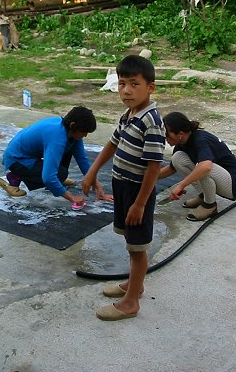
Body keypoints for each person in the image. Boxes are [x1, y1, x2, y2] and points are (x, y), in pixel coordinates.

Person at [82, 55, 165, 321]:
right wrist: (92, 171)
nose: (126, 90)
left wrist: (140, 203)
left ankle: (131, 303)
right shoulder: (129, 115)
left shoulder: (152, 121)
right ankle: (135, 284)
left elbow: (153, 167)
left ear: (150, 87)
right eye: (121, 84)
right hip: (123, 188)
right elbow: (111, 144)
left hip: (137, 191)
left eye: (134, 84)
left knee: (137, 247)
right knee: (131, 243)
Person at [0, 106, 111, 204]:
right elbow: (48, 178)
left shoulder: (69, 131)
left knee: (63, 164)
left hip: (28, 155)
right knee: (59, 175)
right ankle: (15, 177)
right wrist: (71, 197)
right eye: (84, 132)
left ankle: (58, 179)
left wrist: (97, 186)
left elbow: (82, 160)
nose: (85, 136)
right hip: (16, 159)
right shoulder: (56, 138)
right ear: (73, 125)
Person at [158, 111, 236, 221]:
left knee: (203, 167)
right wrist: (147, 178)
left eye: (167, 135)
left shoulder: (200, 139)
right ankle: (203, 196)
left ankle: (210, 205)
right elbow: (172, 168)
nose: (166, 139)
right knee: (178, 158)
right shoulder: (183, 143)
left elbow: (206, 167)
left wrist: (181, 185)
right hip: (220, 177)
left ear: (180, 134)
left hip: (233, 184)